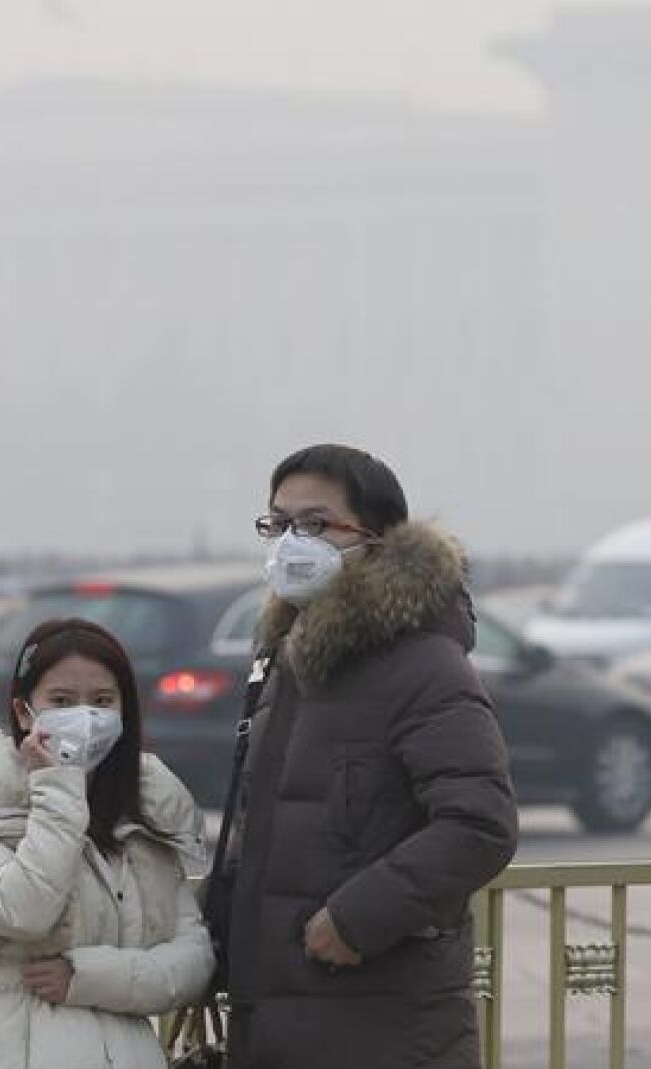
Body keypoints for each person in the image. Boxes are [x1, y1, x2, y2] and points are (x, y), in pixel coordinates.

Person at [215, 444, 518, 1069]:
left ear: (377, 541)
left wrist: (357, 919)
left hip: (385, 1025)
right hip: (277, 1023)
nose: (292, 542)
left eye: (315, 524)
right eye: (279, 524)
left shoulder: (424, 664)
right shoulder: (289, 661)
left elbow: (480, 823)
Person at [0, 618, 214, 1069]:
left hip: (129, 1050)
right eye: (62, 701)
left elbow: (192, 959)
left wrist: (89, 978)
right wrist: (56, 787)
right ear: (24, 712)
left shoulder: (144, 812)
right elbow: (25, 911)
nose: (84, 717)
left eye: (102, 701)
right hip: (17, 1047)